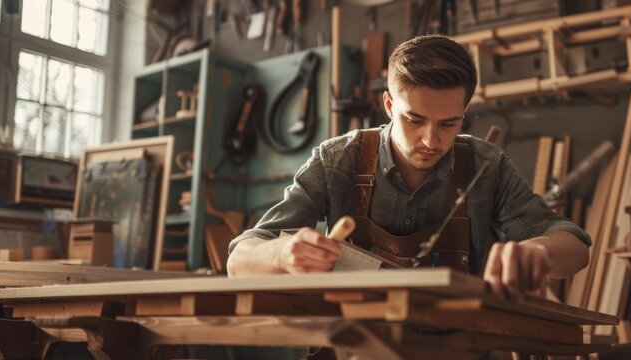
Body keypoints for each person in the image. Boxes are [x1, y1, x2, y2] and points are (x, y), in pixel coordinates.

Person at [226, 34, 591, 300]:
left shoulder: (487, 166)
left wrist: (539, 252)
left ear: (465, 112)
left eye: (449, 123)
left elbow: (575, 248)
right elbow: (239, 260)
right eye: (414, 119)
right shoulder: (338, 160)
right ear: (387, 104)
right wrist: (278, 254)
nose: (431, 140)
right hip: (352, 348)